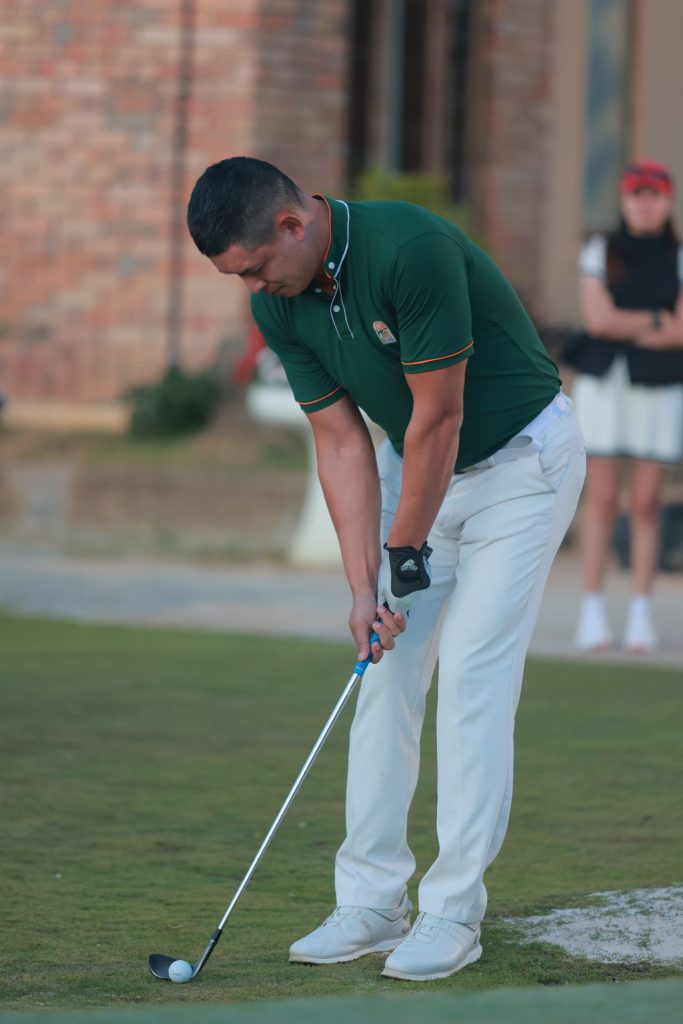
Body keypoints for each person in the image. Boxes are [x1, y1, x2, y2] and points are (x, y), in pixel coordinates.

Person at [187, 157, 586, 982]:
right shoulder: (279, 304)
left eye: (255, 268)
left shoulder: (408, 249)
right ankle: (371, 902)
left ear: (292, 225)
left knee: (471, 676)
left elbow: (441, 415)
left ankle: (452, 914)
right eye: (239, 278)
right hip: (417, 470)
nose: (254, 288)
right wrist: (363, 587)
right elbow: (340, 442)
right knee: (382, 670)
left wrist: (404, 550)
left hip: (520, 467)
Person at [567, 160, 683, 653]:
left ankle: (640, 611)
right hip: (606, 383)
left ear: (668, 201)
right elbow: (597, 320)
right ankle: (592, 608)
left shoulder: (677, 256)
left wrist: (626, 322)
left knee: (648, 501)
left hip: (659, 386)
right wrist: (656, 320)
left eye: (654, 195)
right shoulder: (602, 250)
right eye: (637, 194)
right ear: (625, 199)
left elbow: (681, 331)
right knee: (602, 498)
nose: (645, 204)